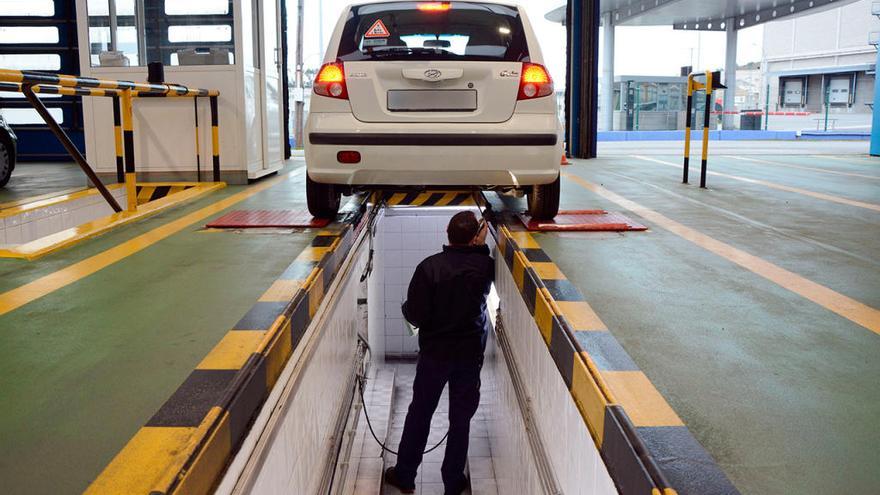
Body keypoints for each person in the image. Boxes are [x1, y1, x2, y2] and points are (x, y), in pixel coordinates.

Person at [384, 210, 494, 495]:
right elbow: (481, 255)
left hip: (434, 355)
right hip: (469, 357)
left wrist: (408, 309)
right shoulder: (485, 267)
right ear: (476, 237)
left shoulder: (428, 268)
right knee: (460, 420)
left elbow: (416, 314)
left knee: (420, 413)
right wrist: (480, 242)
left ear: (446, 232)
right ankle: (453, 481)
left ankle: (405, 476)